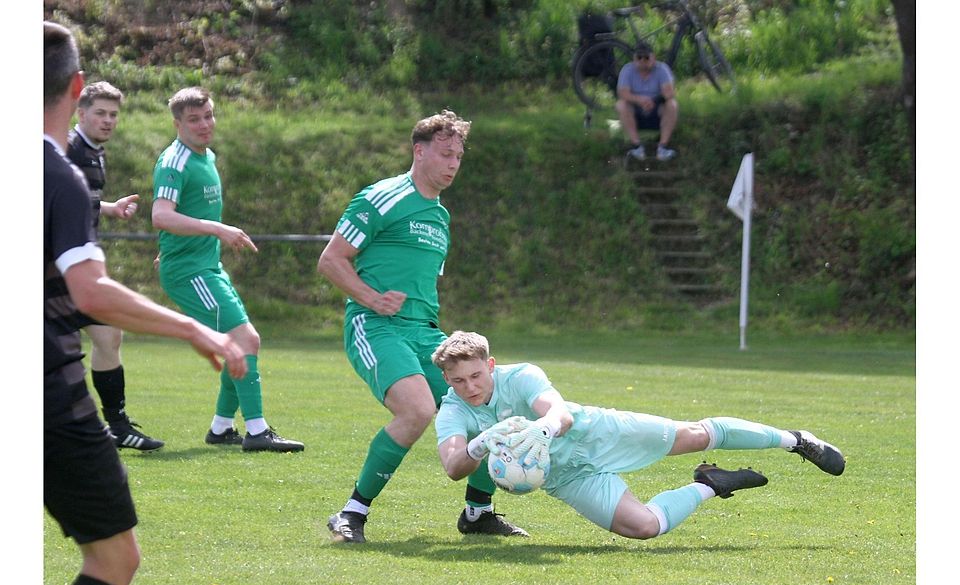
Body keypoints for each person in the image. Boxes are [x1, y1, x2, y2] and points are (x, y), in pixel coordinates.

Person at [44, 21, 249, 585]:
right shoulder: (55, 174)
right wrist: (193, 329)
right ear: (76, 88)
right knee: (113, 556)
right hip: (43, 394)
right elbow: (91, 292)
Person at [318, 110, 526, 543]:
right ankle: (351, 514)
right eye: (445, 154)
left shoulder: (440, 218)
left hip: (425, 332)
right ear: (419, 150)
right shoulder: (381, 197)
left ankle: (478, 512)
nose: (452, 164)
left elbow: (422, 285)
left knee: (491, 401)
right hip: (375, 325)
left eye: (458, 157)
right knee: (416, 410)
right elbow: (331, 260)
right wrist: (373, 299)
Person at [430, 331, 846, 540]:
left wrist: (542, 429)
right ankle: (710, 484)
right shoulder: (453, 408)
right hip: (567, 477)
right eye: (458, 380)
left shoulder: (520, 376)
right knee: (644, 527)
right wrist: (480, 443)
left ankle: (795, 440)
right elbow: (453, 465)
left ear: (491, 364)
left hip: (597, 433)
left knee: (695, 435)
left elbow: (559, 412)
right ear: (447, 379)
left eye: (476, 375)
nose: (470, 386)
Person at [151, 87, 304, 453]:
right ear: (177, 124)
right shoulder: (175, 161)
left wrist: (171, 249)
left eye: (208, 116)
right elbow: (161, 215)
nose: (204, 125)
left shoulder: (206, 156)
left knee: (239, 343)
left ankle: (221, 428)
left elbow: (177, 218)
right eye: (194, 120)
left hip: (205, 266)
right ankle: (257, 431)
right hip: (191, 271)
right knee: (246, 340)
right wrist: (218, 230)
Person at [68, 80, 164, 451]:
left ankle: (117, 426)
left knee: (109, 336)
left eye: (113, 115)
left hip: (81, 268)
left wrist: (109, 207)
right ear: (80, 113)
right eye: (100, 113)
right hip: (60, 270)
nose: (108, 121)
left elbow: (81, 199)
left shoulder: (96, 152)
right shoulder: (66, 149)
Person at [616, 41, 679, 161]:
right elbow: (622, 93)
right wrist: (639, 100)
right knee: (621, 105)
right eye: (639, 57)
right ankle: (636, 146)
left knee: (672, 104)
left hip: (657, 110)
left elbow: (669, 92)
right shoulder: (627, 70)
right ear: (634, 59)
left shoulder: (662, 69)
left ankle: (662, 147)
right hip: (635, 111)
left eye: (646, 57)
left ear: (653, 57)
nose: (642, 61)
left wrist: (653, 101)